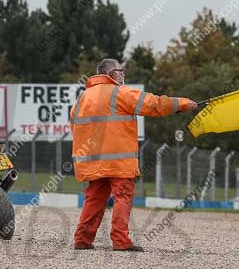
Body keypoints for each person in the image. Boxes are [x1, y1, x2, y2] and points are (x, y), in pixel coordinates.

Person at [70, 58, 198, 252]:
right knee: (122, 198)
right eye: (121, 71)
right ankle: (120, 242)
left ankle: (82, 239)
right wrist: (181, 103)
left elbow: (76, 126)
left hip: (93, 161)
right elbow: (153, 104)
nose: (123, 75)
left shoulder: (83, 98)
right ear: (111, 74)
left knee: (94, 199)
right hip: (119, 161)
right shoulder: (120, 93)